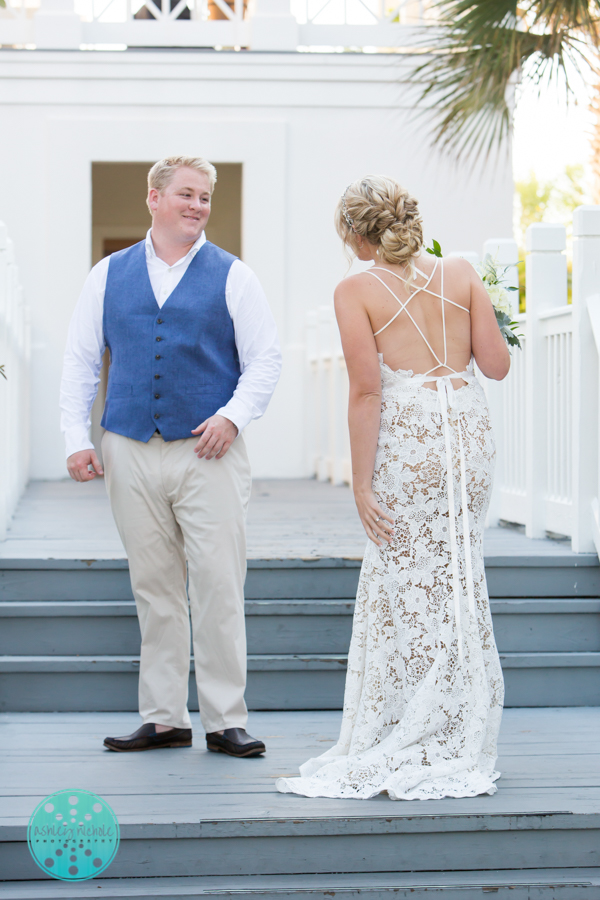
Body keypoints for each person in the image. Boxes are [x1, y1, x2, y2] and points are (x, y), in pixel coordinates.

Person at [277, 176, 509, 800]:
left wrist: (360, 482)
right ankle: (459, 716)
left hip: (411, 445)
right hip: (467, 436)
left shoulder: (355, 289)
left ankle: (410, 719)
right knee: (458, 569)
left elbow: (366, 390)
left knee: (405, 577)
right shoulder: (460, 273)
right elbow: (496, 365)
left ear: (356, 234)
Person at [60, 156, 281, 758]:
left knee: (216, 584)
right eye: (186, 194)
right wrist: (75, 437)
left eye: (205, 197)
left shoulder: (235, 276)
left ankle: (224, 719)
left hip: (208, 453)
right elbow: (81, 359)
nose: (197, 205)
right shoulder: (107, 275)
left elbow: (265, 359)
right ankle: (163, 717)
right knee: (153, 587)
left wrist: (233, 416)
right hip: (128, 447)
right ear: (153, 198)